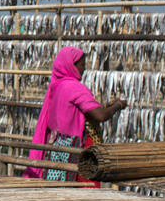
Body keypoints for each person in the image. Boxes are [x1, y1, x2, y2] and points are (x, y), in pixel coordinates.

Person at [24, 45, 126, 186]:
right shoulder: (74, 87)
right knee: (84, 191)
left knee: (60, 188)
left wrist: (106, 106)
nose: (84, 69)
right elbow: (100, 116)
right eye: (82, 65)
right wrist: (117, 106)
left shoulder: (57, 86)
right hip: (78, 150)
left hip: (60, 147)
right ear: (71, 65)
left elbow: (82, 112)